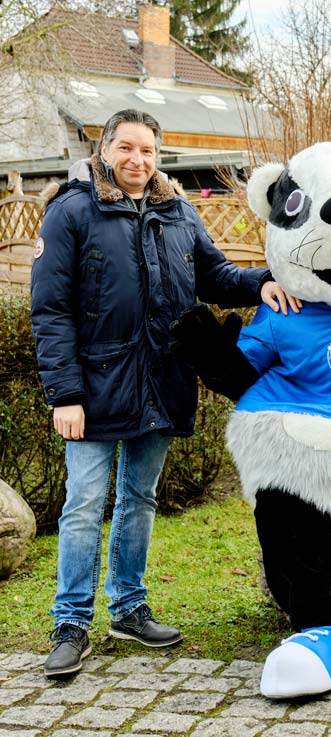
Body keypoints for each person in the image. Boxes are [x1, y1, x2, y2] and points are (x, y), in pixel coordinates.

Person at [31, 108, 301, 678]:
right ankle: (71, 622)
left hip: (162, 379)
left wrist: (264, 282)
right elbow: (51, 311)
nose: (137, 160)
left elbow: (217, 276)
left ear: (159, 154)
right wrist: (65, 395)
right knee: (82, 506)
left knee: (139, 499)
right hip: (94, 389)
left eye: (148, 150)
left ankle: (129, 608)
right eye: (126, 148)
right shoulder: (72, 211)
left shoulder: (178, 210)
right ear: (104, 149)